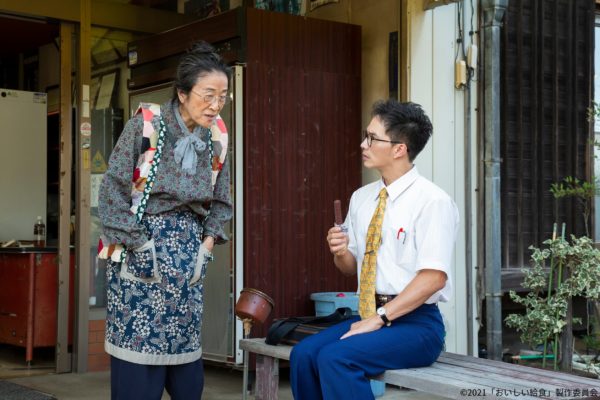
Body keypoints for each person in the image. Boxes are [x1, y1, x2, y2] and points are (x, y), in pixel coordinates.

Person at [290, 99, 459, 399]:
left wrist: (379, 318)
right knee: (303, 355)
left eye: (372, 138)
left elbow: (434, 278)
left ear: (399, 149)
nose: (363, 144)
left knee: (335, 358)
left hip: (417, 325)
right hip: (370, 314)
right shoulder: (362, 198)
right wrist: (340, 251)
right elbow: (349, 267)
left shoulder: (433, 202)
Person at [97, 41, 232, 400]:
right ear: (183, 93)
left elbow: (222, 202)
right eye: (207, 95)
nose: (216, 105)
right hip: (142, 251)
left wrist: (206, 246)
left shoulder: (217, 136)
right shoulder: (146, 125)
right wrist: (140, 243)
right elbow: (112, 192)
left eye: (222, 96)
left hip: (188, 263)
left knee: (188, 381)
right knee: (138, 377)